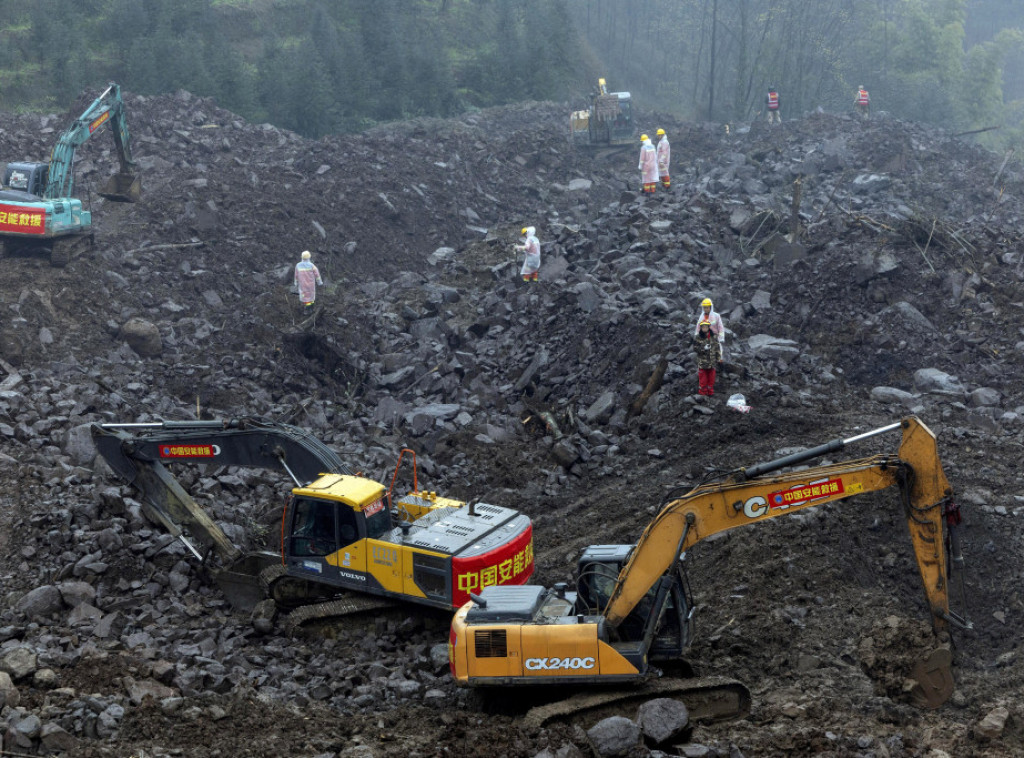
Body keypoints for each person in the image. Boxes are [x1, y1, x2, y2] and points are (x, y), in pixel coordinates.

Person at [694, 320, 723, 396]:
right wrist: (703, 348)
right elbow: (695, 348)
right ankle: (702, 394)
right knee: (703, 380)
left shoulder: (714, 336)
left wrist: (719, 358)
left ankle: (710, 393)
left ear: (708, 327)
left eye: (706, 326)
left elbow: (717, 348)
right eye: (703, 327)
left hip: (712, 362)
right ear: (701, 328)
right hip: (703, 363)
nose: (704, 328)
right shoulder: (698, 337)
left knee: (711, 379)